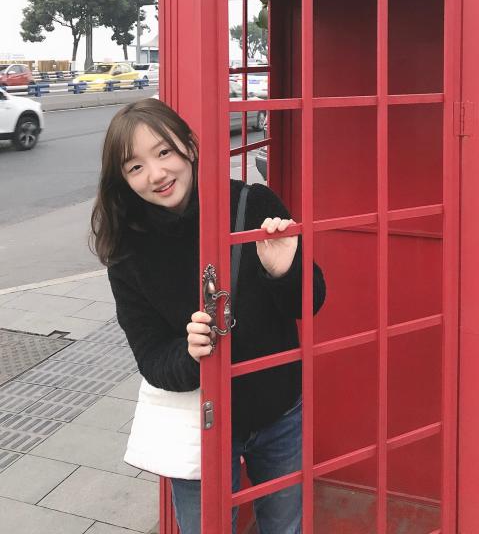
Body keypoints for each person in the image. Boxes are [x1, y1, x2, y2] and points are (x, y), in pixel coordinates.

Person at [90, 98, 325, 534]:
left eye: (164, 152)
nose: (156, 174)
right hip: (201, 422)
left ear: (190, 147)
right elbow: (152, 358)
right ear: (121, 179)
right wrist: (190, 354)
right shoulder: (128, 252)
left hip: (279, 409)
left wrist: (284, 272)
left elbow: (308, 303)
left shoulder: (251, 203)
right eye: (135, 167)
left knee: (286, 526)